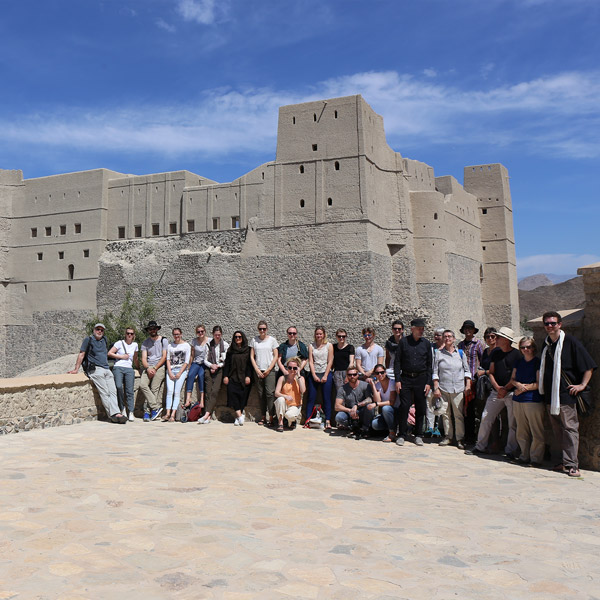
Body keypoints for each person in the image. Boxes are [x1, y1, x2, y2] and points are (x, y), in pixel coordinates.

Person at [539, 311, 597, 478]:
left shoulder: (571, 342)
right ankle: (563, 461)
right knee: (557, 430)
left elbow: (588, 366)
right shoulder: (546, 344)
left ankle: (572, 465)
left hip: (566, 395)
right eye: (547, 323)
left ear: (560, 324)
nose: (550, 326)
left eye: (553, 323)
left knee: (570, 429)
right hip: (550, 396)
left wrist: (582, 385)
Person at [467, 327, 521, 457]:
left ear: (506, 340)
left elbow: (516, 375)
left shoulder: (517, 355)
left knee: (512, 422)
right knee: (486, 417)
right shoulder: (496, 353)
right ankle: (480, 446)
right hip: (496, 392)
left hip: (511, 392)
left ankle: (510, 450)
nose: (496, 339)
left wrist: (505, 389)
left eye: (499, 337)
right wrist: (497, 388)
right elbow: (491, 372)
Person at [68, 323, 127, 424]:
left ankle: (116, 413)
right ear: (94, 330)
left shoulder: (105, 340)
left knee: (113, 392)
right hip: (95, 369)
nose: (99, 331)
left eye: (101, 330)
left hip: (107, 369)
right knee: (105, 392)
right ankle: (113, 414)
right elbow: (82, 354)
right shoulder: (88, 340)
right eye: (97, 329)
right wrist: (76, 369)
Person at [393, 318, 432, 447]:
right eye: (419, 329)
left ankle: (418, 434)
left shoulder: (426, 343)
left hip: (421, 379)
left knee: (421, 407)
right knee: (404, 406)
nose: (421, 331)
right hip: (406, 378)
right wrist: (397, 380)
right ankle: (402, 434)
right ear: (412, 329)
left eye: (422, 329)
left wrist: (428, 382)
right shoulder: (403, 342)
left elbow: (429, 364)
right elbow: (397, 362)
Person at [432, 330, 471, 449]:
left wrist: (468, 384)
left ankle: (460, 438)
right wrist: (436, 387)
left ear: (454, 339)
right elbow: (435, 372)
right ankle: (448, 436)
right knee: (445, 414)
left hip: (458, 388)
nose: (447, 338)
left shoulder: (460, 353)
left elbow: (467, 370)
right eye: (445, 336)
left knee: (458, 414)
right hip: (443, 388)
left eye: (450, 336)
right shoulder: (438, 354)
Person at [510, 337, 545, 466]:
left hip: (532, 400)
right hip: (518, 400)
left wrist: (522, 389)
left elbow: (539, 383)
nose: (526, 349)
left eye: (528, 347)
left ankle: (536, 458)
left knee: (536, 430)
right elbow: (512, 379)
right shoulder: (518, 362)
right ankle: (524, 455)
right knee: (521, 430)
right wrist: (518, 385)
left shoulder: (538, 362)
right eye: (523, 347)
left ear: (533, 348)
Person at [334, 365, 381, 439]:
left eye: (354, 374)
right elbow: (337, 406)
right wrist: (350, 410)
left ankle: (365, 428)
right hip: (350, 411)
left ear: (358, 375)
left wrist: (357, 405)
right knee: (339, 417)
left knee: (370, 407)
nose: (352, 376)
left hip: (362, 410)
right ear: (347, 376)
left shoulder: (365, 385)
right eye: (350, 375)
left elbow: (370, 399)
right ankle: (352, 427)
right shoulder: (342, 389)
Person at [458, 320, 485, 442]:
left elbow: (483, 360)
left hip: (474, 381)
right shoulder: (460, 345)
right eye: (466, 328)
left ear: (474, 330)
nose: (468, 330)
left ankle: (473, 435)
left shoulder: (479, 344)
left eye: (470, 328)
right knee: (464, 408)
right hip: (462, 380)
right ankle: (465, 434)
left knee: (473, 408)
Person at [249, 321, 279, 426]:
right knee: (261, 394)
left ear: (267, 329)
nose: (262, 330)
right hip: (258, 370)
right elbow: (252, 356)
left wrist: (269, 369)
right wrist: (257, 369)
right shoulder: (254, 340)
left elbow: (276, 355)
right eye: (260, 329)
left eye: (264, 329)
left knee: (270, 394)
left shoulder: (272, 340)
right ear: (258, 329)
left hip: (269, 371)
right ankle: (263, 417)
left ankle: (271, 416)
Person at [198, 326, 229, 424]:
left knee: (215, 391)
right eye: (216, 335)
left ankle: (206, 414)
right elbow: (205, 359)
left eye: (219, 335)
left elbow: (226, 360)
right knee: (208, 391)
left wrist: (217, 366)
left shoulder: (225, 345)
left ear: (221, 334)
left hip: (219, 369)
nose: (217, 336)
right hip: (209, 368)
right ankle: (208, 416)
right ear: (213, 334)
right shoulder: (208, 344)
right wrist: (211, 366)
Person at [108, 327, 139, 421]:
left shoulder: (135, 345)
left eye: (131, 333)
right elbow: (110, 353)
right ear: (125, 334)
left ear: (134, 335)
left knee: (129, 390)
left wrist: (138, 367)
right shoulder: (119, 343)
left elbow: (135, 358)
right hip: (118, 367)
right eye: (128, 333)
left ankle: (131, 411)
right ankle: (122, 408)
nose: (129, 335)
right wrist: (121, 356)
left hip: (129, 368)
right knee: (118, 387)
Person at [139, 320, 168, 422]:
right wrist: (148, 368)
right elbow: (143, 358)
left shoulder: (163, 340)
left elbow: (164, 356)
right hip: (148, 366)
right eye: (150, 329)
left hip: (159, 366)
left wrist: (155, 368)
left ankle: (147, 412)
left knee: (154, 389)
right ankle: (155, 408)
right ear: (148, 331)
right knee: (142, 384)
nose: (152, 330)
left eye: (154, 328)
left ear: (157, 329)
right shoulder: (145, 343)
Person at [306, 326, 334, 429]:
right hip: (315, 372)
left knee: (327, 398)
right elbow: (310, 361)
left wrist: (326, 375)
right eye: (317, 334)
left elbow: (330, 361)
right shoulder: (311, 346)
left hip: (325, 372)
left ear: (324, 335)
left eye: (320, 334)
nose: (319, 335)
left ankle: (328, 420)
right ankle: (307, 420)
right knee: (311, 397)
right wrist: (314, 375)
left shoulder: (329, 346)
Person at [223, 330, 252, 426]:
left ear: (243, 338)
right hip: (233, 376)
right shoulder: (231, 350)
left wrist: (248, 376)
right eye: (236, 337)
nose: (237, 338)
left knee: (243, 397)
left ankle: (237, 417)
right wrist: (225, 376)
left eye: (239, 337)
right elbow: (227, 364)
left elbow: (250, 364)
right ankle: (240, 416)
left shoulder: (248, 350)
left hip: (244, 377)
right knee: (232, 394)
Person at [162, 328, 191, 422]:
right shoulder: (170, 346)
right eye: (175, 334)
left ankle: (173, 414)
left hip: (181, 370)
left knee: (177, 392)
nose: (176, 336)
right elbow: (167, 359)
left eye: (178, 334)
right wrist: (169, 372)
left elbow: (186, 361)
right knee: (170, 391)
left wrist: (180, 373)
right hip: (171, 370)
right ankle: (167, 413)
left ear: (181, 334)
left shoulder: (186, 345)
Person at [274, 357, 306, 432]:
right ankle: (280, 423)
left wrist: (298, 375)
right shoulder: (282, 378)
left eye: (294, 368)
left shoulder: (300, 378)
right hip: (284, 404)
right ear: (287, 368)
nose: (292, 370)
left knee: (290, 415)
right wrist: (285, 396)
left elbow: (303, 390)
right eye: (290, 367)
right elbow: (276, 393)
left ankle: (291, 420)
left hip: (295, 405)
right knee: (280, 399)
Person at [185, 324, 211, 409]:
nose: (200, 333)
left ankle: (202, 399)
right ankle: (188, 398)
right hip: (196, 362)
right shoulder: (194, 341)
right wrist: (189, 367)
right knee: (190, 375)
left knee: (201, 375)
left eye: (202, 331)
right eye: (198, 332)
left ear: (205, 331)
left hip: (205, 363)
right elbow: (192, 355)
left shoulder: (210, 341)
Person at [370, 366, 397, 442]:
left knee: (386, 408)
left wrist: (376, 404)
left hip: (395, 410)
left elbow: (392, 402)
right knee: (375, 424)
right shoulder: (378, 385)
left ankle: (392, 432)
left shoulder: (392, 383)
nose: (380, 375)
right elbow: (377, 400)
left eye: (382, 372)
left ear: (385, 372)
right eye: (377, 373)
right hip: (386, 414)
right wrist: (373, 386)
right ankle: (390, 429)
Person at [332, 328, 355, 392]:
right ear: (336, 337)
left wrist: (348, 375)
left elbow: (351, 362)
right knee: (339, 391)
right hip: (337, 372)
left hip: (346, 371)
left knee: (349, 390)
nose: (341, 338)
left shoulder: (350, 347)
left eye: (343, 336)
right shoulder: (333, 347)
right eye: (339, 336)